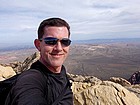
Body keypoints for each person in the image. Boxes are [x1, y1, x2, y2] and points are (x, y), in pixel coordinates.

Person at [5, 18, 73, 105]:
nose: (59, 48)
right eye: (51, 41)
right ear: (38, 45)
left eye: (65, 42)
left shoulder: (63, 75)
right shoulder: (31, 79)